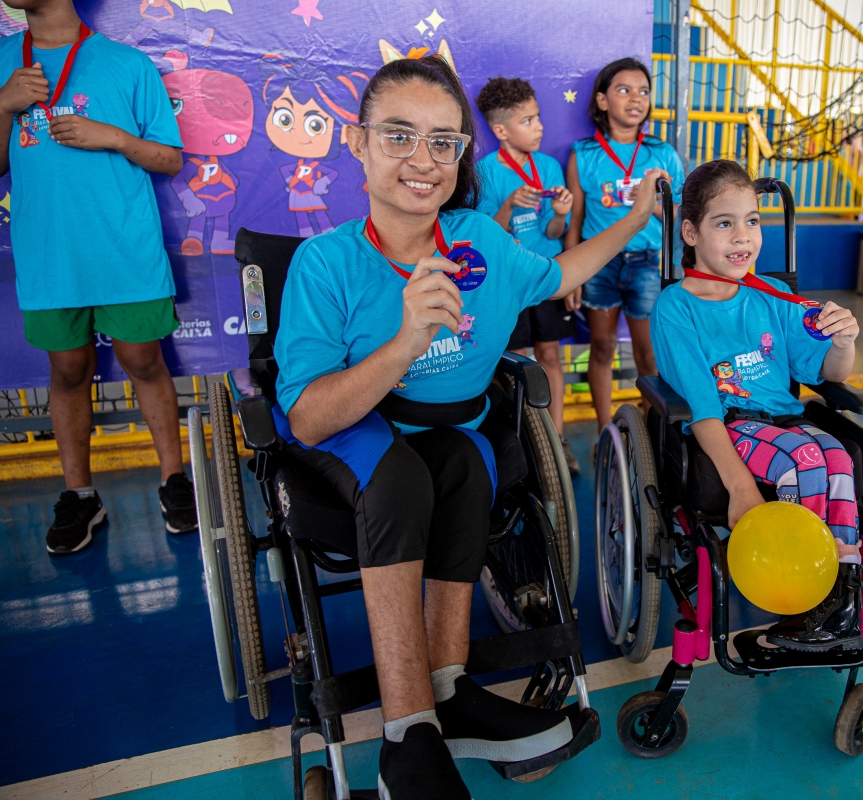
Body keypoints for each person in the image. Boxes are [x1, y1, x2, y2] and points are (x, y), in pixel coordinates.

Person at [273, 55, 667, 798]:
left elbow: (561, 272)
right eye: (399, 136)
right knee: (399, 476)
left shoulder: (480, 242)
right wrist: (404, 343)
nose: (423, 160)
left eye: (443, 142)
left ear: (461, 154)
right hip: (356, 433)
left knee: (466, 458)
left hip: (447, 435)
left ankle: (447, 692)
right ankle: (406, 734)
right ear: (357, 142)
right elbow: (309, 416)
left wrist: (637, 218)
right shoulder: (326, 263)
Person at [0, 0, 197, 554]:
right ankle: (80, 494)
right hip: (49, 254)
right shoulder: (4, 61)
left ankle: (174, 478)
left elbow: (170, 159)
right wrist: (3, 104)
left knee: (143, 359)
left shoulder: (126, 64)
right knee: (67, 369)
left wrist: (111, 136)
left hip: (124, 250)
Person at [651, 159, 863, 651]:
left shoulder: (776, 295)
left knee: (838, 455)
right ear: (690, 232)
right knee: (806, 460)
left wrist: (844, 341)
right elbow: (703, 409)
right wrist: (741, 487)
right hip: (730, 424)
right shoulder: (676, 307)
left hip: (784, 419)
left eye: (752, 221)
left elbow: (830, 373)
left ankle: (842, 591)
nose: (742, 236)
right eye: (724, 223)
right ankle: (804, 593)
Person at [565, 57, 685, 433]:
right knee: (601, 347)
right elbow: (575, 220)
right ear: (602, 101)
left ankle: (651, 434)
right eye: (624, 90)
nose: (636, 98)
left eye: (643, 91)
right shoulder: (583, 154)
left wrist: (651, 201)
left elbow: (680, 219)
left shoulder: (662, 153)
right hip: (598, 263)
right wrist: (572, 275)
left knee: (648, 353)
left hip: (648, 263)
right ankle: (606, 432)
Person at [474, 76, 580, 473]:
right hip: (508, 282)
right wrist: (508, 205)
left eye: (538, 118)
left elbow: (553, 234)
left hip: (547, 275)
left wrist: (560, 214)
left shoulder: (548, 167)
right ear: (501, 131)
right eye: (528, 121)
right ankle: (528, 442)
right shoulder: (485, 173)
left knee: (550, 354)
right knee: (516, 361)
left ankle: (558, 440)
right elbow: (485, 237)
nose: (539, 127)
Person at [259, 54, 367, 238]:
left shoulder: (318, 166)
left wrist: (321, 182)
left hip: (312, 195)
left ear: (347, 135)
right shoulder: (298, 166)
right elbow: (285, 170)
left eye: (315, 125)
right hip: (298, 195)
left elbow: (330, 174)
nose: (297, 133)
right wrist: (291, 182)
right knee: (303, 221)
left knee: (321, 219)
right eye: (284, 120)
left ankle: (328, 241)